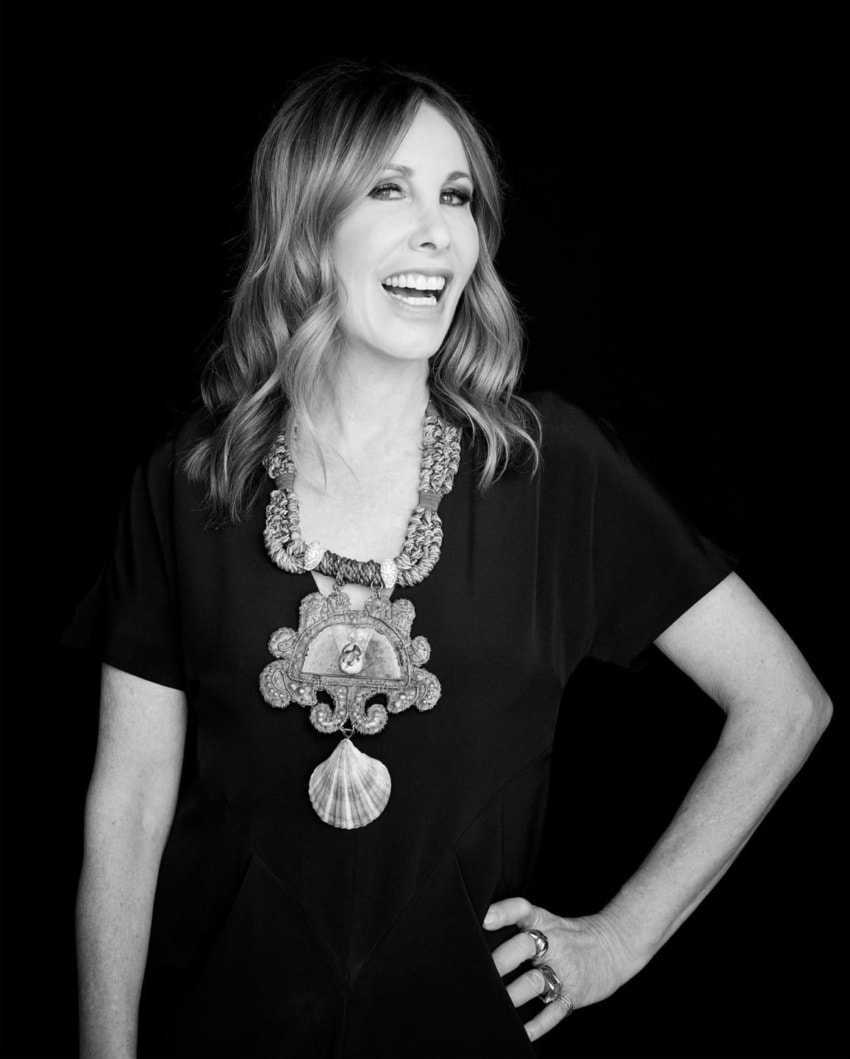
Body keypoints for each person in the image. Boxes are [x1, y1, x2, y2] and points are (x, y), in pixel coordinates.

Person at [65, 61, 832, 1059]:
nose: (438, 230)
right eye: (390, 189)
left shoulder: (549, 471)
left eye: (457, 197)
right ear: (307, 226)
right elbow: (126, 805)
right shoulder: (187, 487)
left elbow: (783, 701)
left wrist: (622, 939)